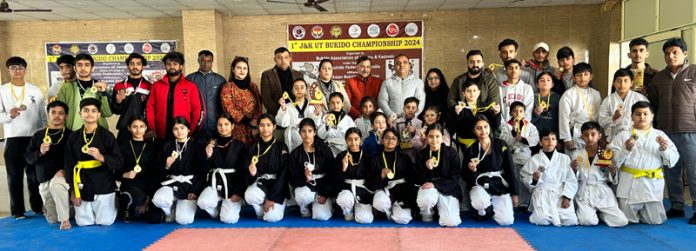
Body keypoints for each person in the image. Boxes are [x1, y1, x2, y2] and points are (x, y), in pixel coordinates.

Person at [609, 101, 680, 224]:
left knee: (655, 221)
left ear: (652, 116)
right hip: (629, 184)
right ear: (632, 116)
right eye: (638, 114)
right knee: (626, 221)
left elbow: (673, 159)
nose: (642, 117)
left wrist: (664, 150)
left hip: (651, 185)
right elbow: (611, 159)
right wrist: (625, 150)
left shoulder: (660, 135)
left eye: (645, 114)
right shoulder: (623, 135)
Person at [649, 38, 696, 223]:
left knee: (694, 172)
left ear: (685, 53)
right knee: (671, 170)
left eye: (675, 52)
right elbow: (654, 103)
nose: (671, 56)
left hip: (691, 130)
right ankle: (676, 206)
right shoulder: (658, 78)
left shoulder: (694, 72)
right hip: (666, 131)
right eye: (667, 53)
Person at [64, 98, 123, 226]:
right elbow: (68, 165)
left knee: (105, 222)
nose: (90, 114)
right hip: (82, 183)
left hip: (103, 183)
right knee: (84, 223)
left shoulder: (107, 136)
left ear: (99, 114)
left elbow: (119, 162)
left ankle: (115, 202)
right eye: (86, 110)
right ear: (80, 114)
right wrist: (73, 191)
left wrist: (101, 157)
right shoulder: (73, 137)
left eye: (93, 111)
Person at [1, 56, 47, 219]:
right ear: (9, 70)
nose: (17, 71)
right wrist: (9, 115)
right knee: (14, 176)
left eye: (20, 67)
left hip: (33, 138)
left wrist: (43, 134)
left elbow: (43, 115)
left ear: (25, 70)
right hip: (13, 138)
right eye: (13, 68)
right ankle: (18, 211)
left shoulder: (35, 90)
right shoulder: (3, 90)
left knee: (34, 175)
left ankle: (37, 207)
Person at [570, 122, 628, 227]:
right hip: (584, 190)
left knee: (621, 221)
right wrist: (573, 170)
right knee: (587, 221)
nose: (590, 138)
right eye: (586, 135)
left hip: (602, 191)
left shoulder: (606, 154)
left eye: (593, 134)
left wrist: (613, 172)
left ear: (599, 135)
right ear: (582, 137)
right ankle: (593, 212)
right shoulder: (576, 154)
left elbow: (611, 177)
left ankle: (601, 213)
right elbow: (572, 178)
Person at [24, 101, 72, 229]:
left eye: (61, 113)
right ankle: (72, 211)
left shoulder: (71, 135)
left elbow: (77, 158)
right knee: (52, 219)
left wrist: (65, 171)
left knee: (56, 185)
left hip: (62, 177)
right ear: (48, 114)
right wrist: (39, 152)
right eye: (53, 112)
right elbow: (28, 158)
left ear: (66, 115)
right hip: (44, 178)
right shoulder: (38, 135)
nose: (57, 116)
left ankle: (65, 220)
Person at [463, 115, 518, 225]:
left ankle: (493, 209)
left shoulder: (501, 144)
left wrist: (514, 193)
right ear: (473, 131)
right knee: (480, 201)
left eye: (485, 126)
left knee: (506, 221)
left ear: (490, 127)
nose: (483, 131)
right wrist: (472, 170)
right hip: (481, 183)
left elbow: (510, 169)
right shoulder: (471, 148)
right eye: (478, 128)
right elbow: (464, 174)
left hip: (499, 183)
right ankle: (481, 211)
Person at [151, 117, 206, 225]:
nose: (179, 131)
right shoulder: (167, 146)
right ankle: (169, 210)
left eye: (182, 128)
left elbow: (202, 172)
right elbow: (158, 171)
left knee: (184, 220)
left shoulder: (196, 146)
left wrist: (195, 191)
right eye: (175, 129)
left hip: (189, 186)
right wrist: (166, 165)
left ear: (188, 129)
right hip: (172, 183)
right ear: (172, 131)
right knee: (158, 200)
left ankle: (181, 205)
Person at [521, 129, 578, 227]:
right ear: (540, 142)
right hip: (542, 193)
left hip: (560, 192)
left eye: (553, 139)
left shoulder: (565, 158)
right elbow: (524, 176)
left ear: (556, 142)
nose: (550, 142)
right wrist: (534, 179)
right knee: (541, 220)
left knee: (570, 221)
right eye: (546, 139)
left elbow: (570, 180)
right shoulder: (534, 159)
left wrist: (567, 197)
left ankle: (562, 209)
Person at [197, 113, 247, 224]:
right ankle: (216, 212)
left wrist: (238, 192)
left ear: (232, 126)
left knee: (229, 220)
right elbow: (203, 169)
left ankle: (229, 207)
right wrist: (208, 157)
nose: (223, 128)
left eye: (226, 124)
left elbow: (244, 171)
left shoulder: (240, 145)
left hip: (233, 184)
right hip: (215, 182)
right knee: (203, 203)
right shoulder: (210, 144)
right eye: (220, 125)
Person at [146, 51, 204, 141]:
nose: (171, 66)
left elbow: (198, 110)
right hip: (160, 135)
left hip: (182, 135)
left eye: (175, 64)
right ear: (165, 66)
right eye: (168, 64)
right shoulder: (156, 86)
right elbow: (150, 108)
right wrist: (152, 128)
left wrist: (190, 131)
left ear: (181, 66)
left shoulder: (191, 86)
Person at [414, 124, 462, 227]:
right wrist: (426, 168)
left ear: (443, 138)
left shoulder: (452, 153)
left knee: (451, 222)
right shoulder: (421, 155)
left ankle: (440, 208)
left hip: (448, 188)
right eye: (431, 136)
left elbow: (455, 178)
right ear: (426, 137)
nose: (434, 140)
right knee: (426, 199)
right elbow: (418, 179)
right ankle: (427, 212)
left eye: (437, 136)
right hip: (429, 189)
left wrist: (435, 184)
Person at [244, 114, 289, 222]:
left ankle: (269, 209)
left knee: (272, 218)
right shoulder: (252, 147)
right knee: (249, 195)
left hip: (278, 186)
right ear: (258, 127)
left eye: (269, 125)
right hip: (261, 182)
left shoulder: (281, 147)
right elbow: (246, 172)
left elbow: (284, 174)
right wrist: (252, 173)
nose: (265, 128)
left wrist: (273, 197)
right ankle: (261, 211)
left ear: (274, 127)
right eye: (262, 125)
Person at [288, 118, 336, 220]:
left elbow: (332, 174)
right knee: (301, 196)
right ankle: (304, 208)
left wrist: (325, 194)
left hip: (323, 187)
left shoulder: (324, 149)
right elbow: (292, 178)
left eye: (310, 131)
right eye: (303, 131)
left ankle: (325, 205)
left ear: (314, 132)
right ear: (300, 133)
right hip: (306, 186)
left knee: (321, 217)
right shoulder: (295, 154)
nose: (307, 134)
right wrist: (304, 178)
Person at [116, 116, 161, 223]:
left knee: (156, 218)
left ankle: (139, 208)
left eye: (141, 126)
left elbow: (155, 174)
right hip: (129, 186)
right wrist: (125, 174)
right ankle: (125, 205)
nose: (138, 130)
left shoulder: (152, 147)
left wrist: (148, 200)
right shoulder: (122, 146)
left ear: (146, 128)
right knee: (137, 197)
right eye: (134, 127)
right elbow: (115, 173)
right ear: (129, 128)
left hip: (147, 187)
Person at [370, 128, 417, 224]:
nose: (390, 141)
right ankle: (389, 211)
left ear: (398, 142)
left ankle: (397, 209)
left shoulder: (405, 158)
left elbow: (411, 179)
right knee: (379, 203)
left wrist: (409, 198)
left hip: (402, 191)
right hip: (384, 189)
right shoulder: (375, 158)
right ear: (382, 141)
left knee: (403, 220)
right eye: (387, 138)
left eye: (393, 138)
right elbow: (370, 183)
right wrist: (381, 176)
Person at [499, 101, 539, 210]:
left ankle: (524, 203)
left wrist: (522, 139)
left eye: (521, 111)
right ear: (510, 113)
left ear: (525, 113)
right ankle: (512, 201)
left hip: (525, 155)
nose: (518, 113)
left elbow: (535, 139)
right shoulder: (507, 126)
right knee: (513, 178)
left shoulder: (530, 126)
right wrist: (513, 135)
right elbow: (503, 140)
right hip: (512, 155)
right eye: (515, 111)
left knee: (524, 178)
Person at [57, 53, 112, 130]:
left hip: (97, 134)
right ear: (75, 68)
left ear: (92, 68)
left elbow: (107, 113)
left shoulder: (101, 87)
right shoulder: (66, 87)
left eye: (87, 65)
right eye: (79, 65)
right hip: (73, 134)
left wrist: (103, 93)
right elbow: (60, 113)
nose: (83, 68)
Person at [559, 62, 601, 157]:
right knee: (575, 161)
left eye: (586, 74)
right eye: (579, 75)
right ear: (573, 78)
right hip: (576, 132)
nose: (582, 78)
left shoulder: (596, 94)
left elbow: (599, 115)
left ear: (591, 77)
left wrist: (599, 134)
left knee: (592, 160)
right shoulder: (568, 94)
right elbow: (563, 118)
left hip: (593, 132)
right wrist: (567, 138)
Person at [335, 128, 375, 223]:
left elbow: (371, 178)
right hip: (346, 188)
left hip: (362, 189)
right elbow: (335, 179)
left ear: (360, 140)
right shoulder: (341, 156)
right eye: (350, 139)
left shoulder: (367, 157)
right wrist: (343, 169)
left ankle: (358, 205)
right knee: (344, 200)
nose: (353, 142)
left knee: (365, 220)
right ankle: (347, 212)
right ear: (346, 140)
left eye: (356, 139)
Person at [221, 57, 262, 145]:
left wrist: (255, 120)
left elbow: (259, 105)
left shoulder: (253, 86)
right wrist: (248, 121)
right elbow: (229, 107)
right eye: (238, 68)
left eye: (245, 68)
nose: (242, 71)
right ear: (233, 69)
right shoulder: (228, 87)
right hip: (236, 128)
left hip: (253, 128)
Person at [186, 50, 227, 141]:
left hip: (215, 125)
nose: (206, 64)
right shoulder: (190, 79)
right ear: (198, 61)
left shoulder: (220, 80)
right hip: (197, 126)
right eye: (203, 60)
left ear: (212, 62)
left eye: (209, 61)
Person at [111, 53, 152, 142]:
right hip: (125, 129)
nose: (135, 66)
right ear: (128, 66)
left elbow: (151, 110)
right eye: (132, 63)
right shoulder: (119, 86)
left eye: (138, 64)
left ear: (142, 66)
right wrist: (118, 101)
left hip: (142, 130)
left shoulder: (150, 86)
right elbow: (115, 111)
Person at [599, 69, 648, 141]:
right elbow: (601, 122)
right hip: (615, 138)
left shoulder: (640, 98)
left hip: (636, 137)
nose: (622, 84)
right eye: (619, 81)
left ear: (631, 83)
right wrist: (614, 117)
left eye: (625, 81)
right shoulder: (608, 100)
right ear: (613, 83)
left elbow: (648, 120)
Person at [449, 81, 501, 149]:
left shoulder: (486, 107)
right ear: (463, 93)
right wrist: (457, 114)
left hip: (484, 143)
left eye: (474, 90)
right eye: (468, 91)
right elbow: (453, 126)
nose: (472, 93)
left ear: (479, 92)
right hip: (465, 145)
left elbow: (495, 125)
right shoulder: (458, 108)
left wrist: (496, 114)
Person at [276, 78, 321, 151]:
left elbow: (316, 124)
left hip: (308, 135)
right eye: (296, 88)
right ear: (292, 91)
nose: (299, 90)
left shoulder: (312, 106)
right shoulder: (287, 106)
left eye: (302, 87)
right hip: (293, 136)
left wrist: (317, 113)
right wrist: (283, 108)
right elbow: (282, 124)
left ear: (306, 91)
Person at [378, 54, 425, 119]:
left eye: (404, 62)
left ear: (409, 65)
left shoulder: (418, 82)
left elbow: (421, 101)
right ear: (394, 67)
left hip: (412, 120)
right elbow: (382, 101)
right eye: (398, 63)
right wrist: (390, 114)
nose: (401, 65)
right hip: (393, 121)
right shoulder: (387, 82)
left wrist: (414, 115)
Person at [260, 47, 303, 116]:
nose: (283, 60)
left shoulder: (298, 74)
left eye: (286, 57)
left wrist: (296, 111)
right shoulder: (267, 75)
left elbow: (302, 95)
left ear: (290, 59)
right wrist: (282, 112)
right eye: (279, 58)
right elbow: (267, 100)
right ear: (274, 59)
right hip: (275, 114)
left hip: (296, 114)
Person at [531, 72, 561, 152]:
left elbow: (561, 120)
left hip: (552, 138)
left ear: (552, 84)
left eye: (548, 80)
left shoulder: (558, 98)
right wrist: (535, 114)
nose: (545, 82)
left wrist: (559, 139)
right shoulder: (532, 97)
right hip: (535, 137)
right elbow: (528, 120)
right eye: (542, 80)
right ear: (537, 84)